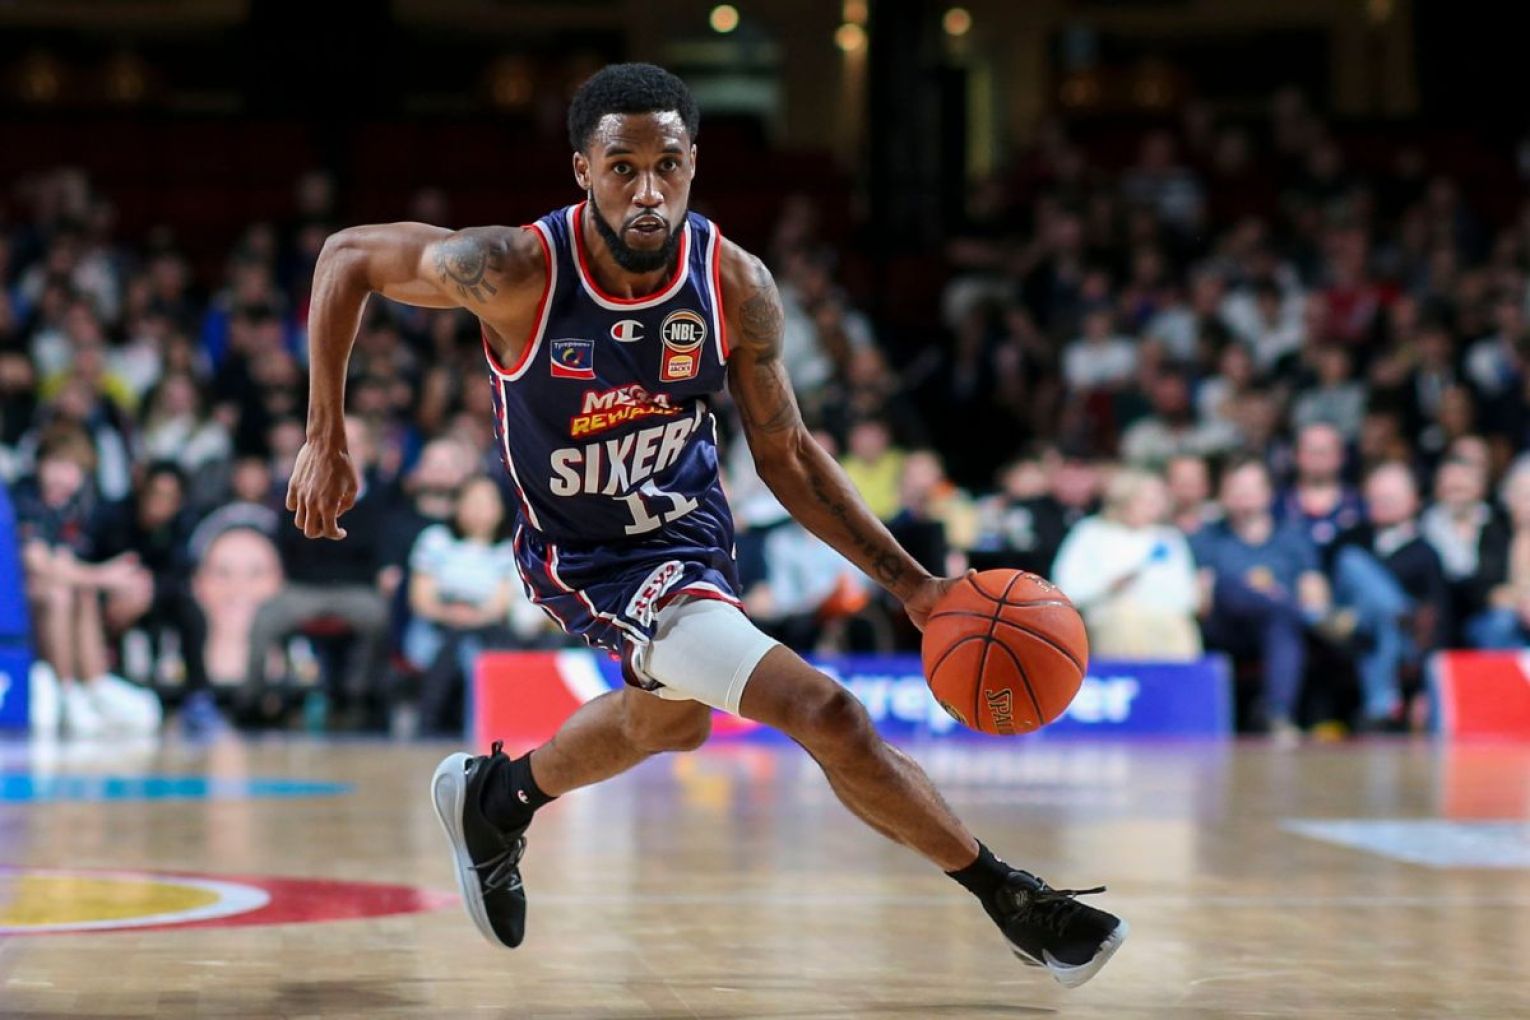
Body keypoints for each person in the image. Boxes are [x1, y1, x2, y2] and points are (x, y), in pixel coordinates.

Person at [285, 64, 1125, 986]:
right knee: (829, 713)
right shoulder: (517, 269)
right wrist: (326, 434)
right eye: (622, 168)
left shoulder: (731, 282)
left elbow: (789, 455)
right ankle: (1010, 898)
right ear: (582, 170)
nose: (647, 192)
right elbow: (346, 257)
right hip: (588, 557)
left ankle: (498, 799)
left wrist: (915, 587)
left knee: (669, 727)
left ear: (694, 163)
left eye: (668, 166)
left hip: (692, 537)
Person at [1193, 456, 1332, 742]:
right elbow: (1203, 601)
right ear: (1223, 495)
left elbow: (1315, 592)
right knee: (1230, 586)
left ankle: (1276, 714)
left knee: (1282, 621)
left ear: (1268, 493)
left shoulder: (1292, 536)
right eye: (1236, 490)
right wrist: (1265, 595)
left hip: (1278, 628)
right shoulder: (1208, 537)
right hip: (1228, 626)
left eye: (1251, 489)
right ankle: (1279, 604)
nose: (1243, 497)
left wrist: (1294, 605)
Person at [405, 476, 542, 736]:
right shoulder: (435, 540)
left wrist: (470, 618)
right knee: (453, 645)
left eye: (487, 502)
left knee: (470, 649)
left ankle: (472, 730)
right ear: (458, 505)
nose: (479, 509)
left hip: (485, 627)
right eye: (472, 501)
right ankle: (429, 727)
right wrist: (449, 614)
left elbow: (500, 605)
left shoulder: (509, 550)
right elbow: (421, 598)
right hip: (436, 624)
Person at [1051, 469, 1201, 660]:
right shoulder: (1091, 532)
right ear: (1125, 500)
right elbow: (1066, 588)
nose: (1156, 506)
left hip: (1162, 621)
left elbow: (1187, 597)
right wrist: (1109, 586)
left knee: (1179, 626)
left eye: (1158, 499)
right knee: (1125, 619)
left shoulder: (1169, 538)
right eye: (1147, 500)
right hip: (1106, 618)